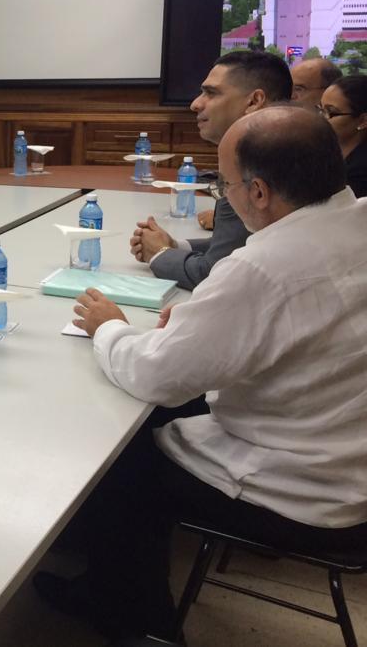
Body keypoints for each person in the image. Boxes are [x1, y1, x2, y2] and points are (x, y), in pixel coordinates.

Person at [43, 106, 367, 641]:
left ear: (259, 192)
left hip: (303, 488)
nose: (225, 196)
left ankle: (135, 621)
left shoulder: (263, 265)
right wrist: (203, 326)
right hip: (346, 455)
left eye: (224, 183)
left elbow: (153, 374)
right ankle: (110, 577)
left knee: (115, 458)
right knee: (161, 415)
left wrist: (109, 327)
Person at [130, 50, 290, 289]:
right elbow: (239, 245)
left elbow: (215, 275)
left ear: (254, 101)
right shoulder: (279, 148)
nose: (195, 104)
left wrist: (159, 253)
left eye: (211, 93)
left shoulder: (258, 164)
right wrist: (175, 245)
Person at [320, 73, 367, 197]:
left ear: (363, 121)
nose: (321, 119)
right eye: (321, 110)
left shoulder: (359, 174)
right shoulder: (321, 150)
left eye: (331, 112)